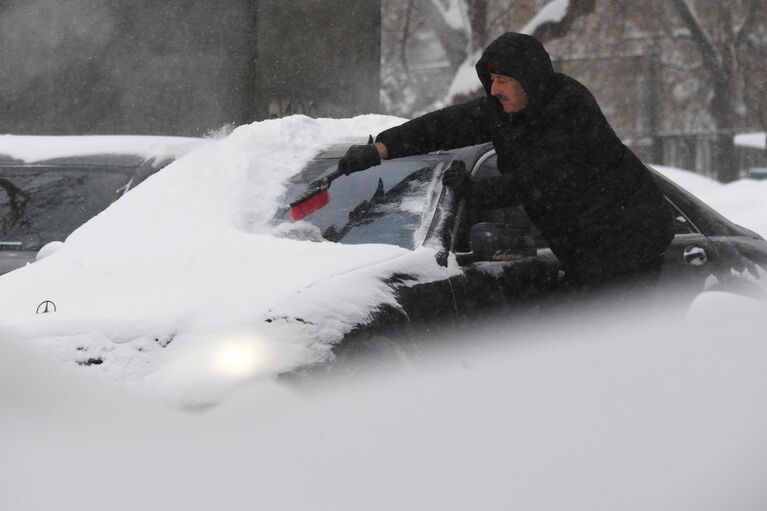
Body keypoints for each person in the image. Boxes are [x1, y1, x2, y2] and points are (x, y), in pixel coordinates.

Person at [338, 32, 674, 293]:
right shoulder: (502, 111)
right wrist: (380, 149)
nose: (494, 90)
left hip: (630, 238)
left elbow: (543, 179)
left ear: (529, 79)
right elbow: (443, 125)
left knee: (608, 341)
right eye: (491, 81)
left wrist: (475, 193)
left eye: (503, 81)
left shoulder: (571, 109)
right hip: (583, 247)